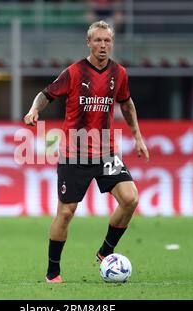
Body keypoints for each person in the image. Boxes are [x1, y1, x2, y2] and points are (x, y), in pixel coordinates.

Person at [24, 20, 149, 283]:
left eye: (107, 41)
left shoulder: (119, 73)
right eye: (98, 40)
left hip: (106, 153)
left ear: (112, 43)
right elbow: (46, 94)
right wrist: (35, 110)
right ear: (88, 42)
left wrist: (137, 136)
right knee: (66, 213)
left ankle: (106, 251)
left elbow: (126, 105)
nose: (103, 45)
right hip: (74, 154)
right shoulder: (74, 72)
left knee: (130, 199)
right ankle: (53, 272)